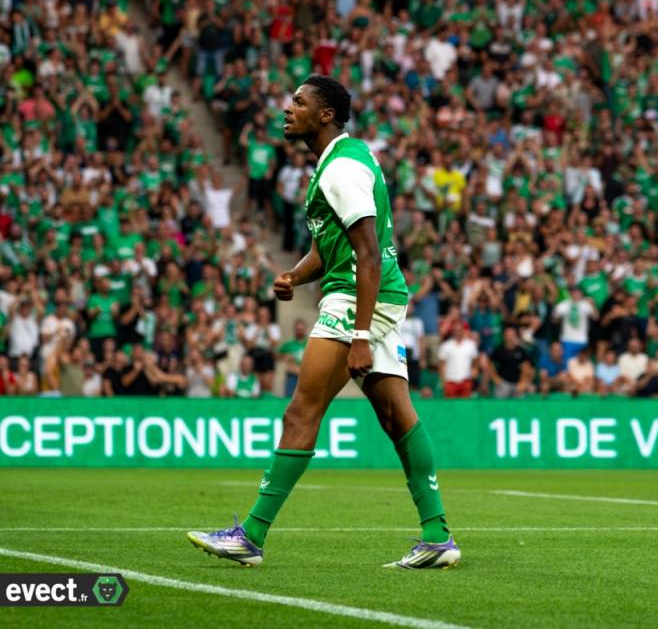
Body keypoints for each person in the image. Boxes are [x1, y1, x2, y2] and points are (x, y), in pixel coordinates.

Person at [188, 75, 458, 569]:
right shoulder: (338, 163)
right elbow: (327, 248)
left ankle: (250, 536)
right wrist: (295, 274)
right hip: (372, 296)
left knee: (301, 412)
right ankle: (437, 536)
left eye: (299, 102)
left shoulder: (342, 169)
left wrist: (360, 336)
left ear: (326, 114)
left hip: (356, 300)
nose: (287, 109)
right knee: (397, 417)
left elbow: (368, 253)